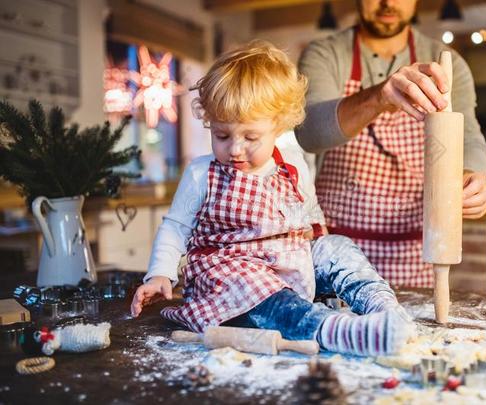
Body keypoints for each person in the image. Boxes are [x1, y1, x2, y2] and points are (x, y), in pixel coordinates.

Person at [129, 42, 414, 357]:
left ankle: (383, 308)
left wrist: (318, 244)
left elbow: (310, 212)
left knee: (336, 246)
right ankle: (337, 331)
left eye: (250, 137)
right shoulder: (202, 174)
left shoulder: (292, 162)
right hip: (233, 277)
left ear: (278, 125)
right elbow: (175, 227)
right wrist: (160, 274)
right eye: (222, 135)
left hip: (291, 265)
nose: (235, 149)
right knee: (248, 280)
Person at [296, 0, 486, 287]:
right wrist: (378, 97)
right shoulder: (325, 54)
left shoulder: (447, 62)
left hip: (414, 256)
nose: (388, 2)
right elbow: (310, 133)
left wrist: (469, 174)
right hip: (337, 254)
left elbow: (469, 138)